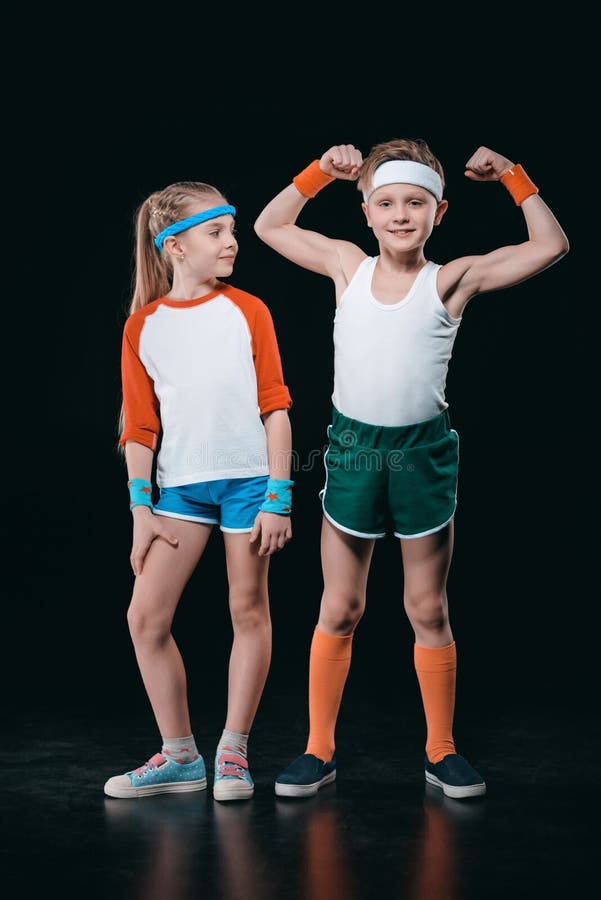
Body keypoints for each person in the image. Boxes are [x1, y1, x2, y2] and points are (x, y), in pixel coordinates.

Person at [254, 140, 569, 799]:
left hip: (421, 455)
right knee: (339, 604)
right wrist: (317, 173)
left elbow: (549, 246)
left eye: (415, 203)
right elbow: (269, 225)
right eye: (387, 202)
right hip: (353, 453)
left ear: (438, 211)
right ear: (366, 212)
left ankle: (440, 749)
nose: (400, 214)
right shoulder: (346, 265)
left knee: (426, 606)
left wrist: (513, 176)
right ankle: (317, 749)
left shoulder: (450, 278)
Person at [104, 180, 293, 802]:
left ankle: (233, 753)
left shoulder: (249, 311)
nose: (231, 242)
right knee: (145, 617)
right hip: (179, 492)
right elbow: (140, 426)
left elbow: (275, 407)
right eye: (216, 232)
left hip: (247, 484)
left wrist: (278, 493)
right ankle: (181, 757)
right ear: (174, 247)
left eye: (231, 229)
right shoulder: (143, 327)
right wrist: (140, 508)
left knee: (248, 609)